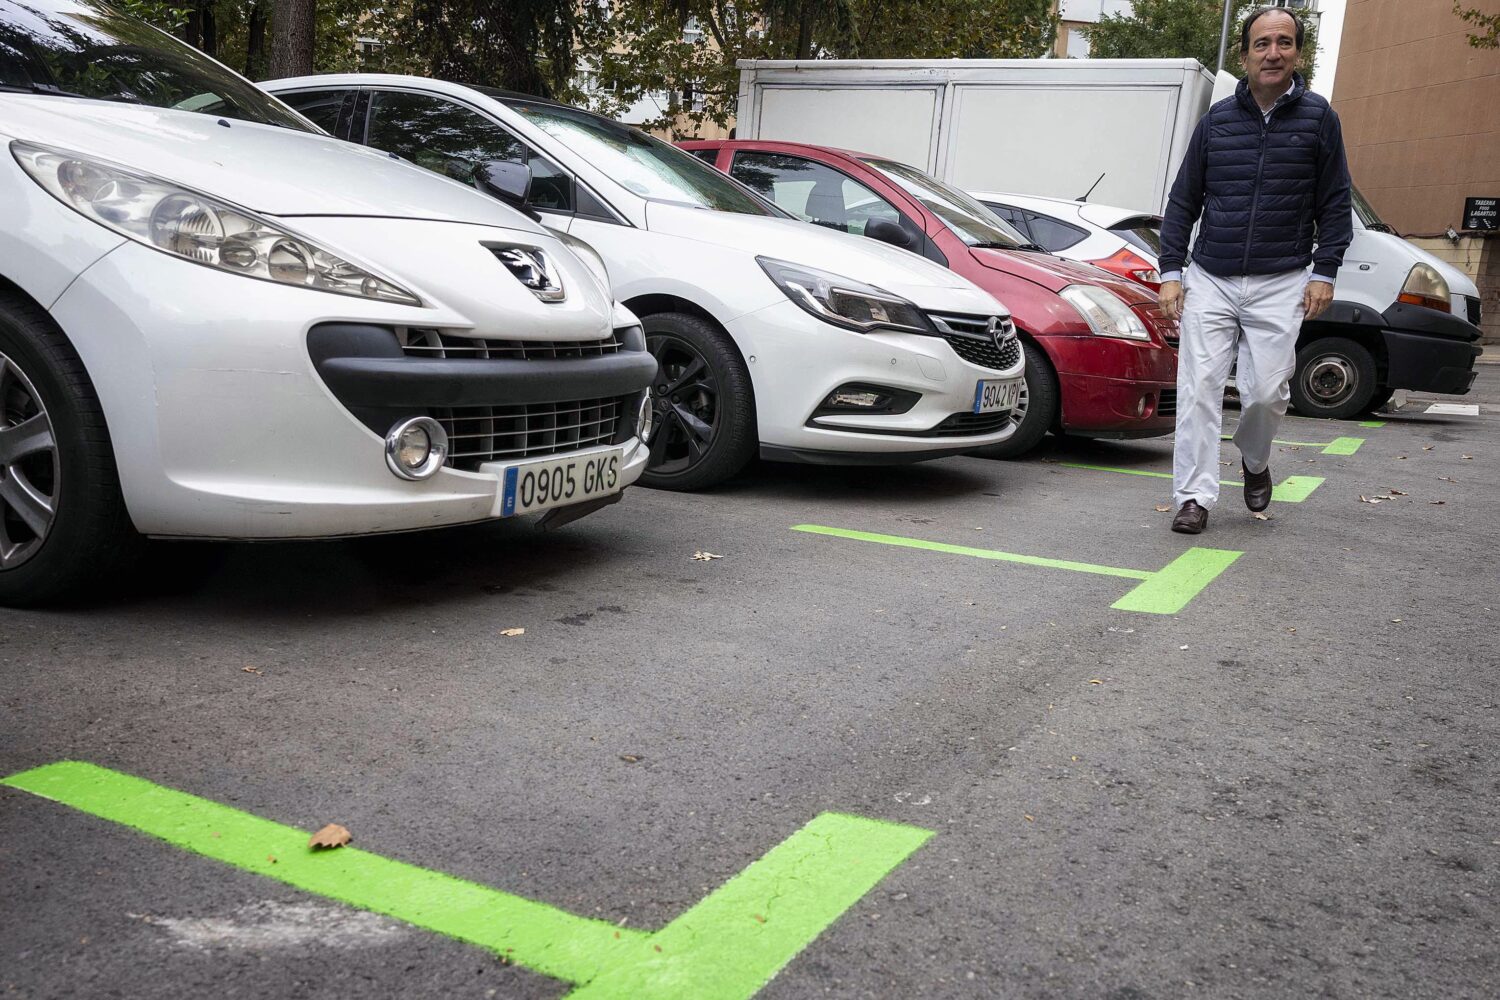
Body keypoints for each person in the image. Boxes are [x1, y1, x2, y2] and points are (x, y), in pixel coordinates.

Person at [1157, 5, 1352, 535]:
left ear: (1297, 52)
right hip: (1213, 276)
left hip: (1283, 277)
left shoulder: (1318, 119)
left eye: (1284, 43)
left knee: (1267, 392)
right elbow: (1182, 202)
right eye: (1262, 43)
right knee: (1199, 389)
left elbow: (1335, 204)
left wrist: (1324, 271)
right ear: (1244, 55)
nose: (1273, 53)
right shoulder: (1216, 122)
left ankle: (1256, 460)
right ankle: (1194, 496)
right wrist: (1171, 269)